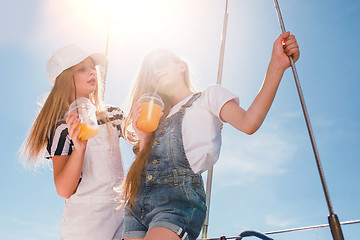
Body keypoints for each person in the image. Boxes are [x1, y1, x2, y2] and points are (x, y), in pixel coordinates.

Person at [120, 31, 300, 240]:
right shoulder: (157, 117)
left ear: (181, 65)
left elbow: (249, 122)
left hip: (177, 200)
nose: (156, 72)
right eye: (150, 72)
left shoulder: (208, 97)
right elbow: (144, 170)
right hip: (137, 202)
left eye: (160, 63)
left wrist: (276, 66)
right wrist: (143, 138)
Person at [21, 44, 125, 240]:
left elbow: (143, 147)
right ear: (65, 80)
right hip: (84, 224)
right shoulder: (61, 127)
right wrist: (79, 148)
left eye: (92, 66)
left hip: (121, 214)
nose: (92, 71)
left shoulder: (114, 115)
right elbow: (64, 189)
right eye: (82, 69)